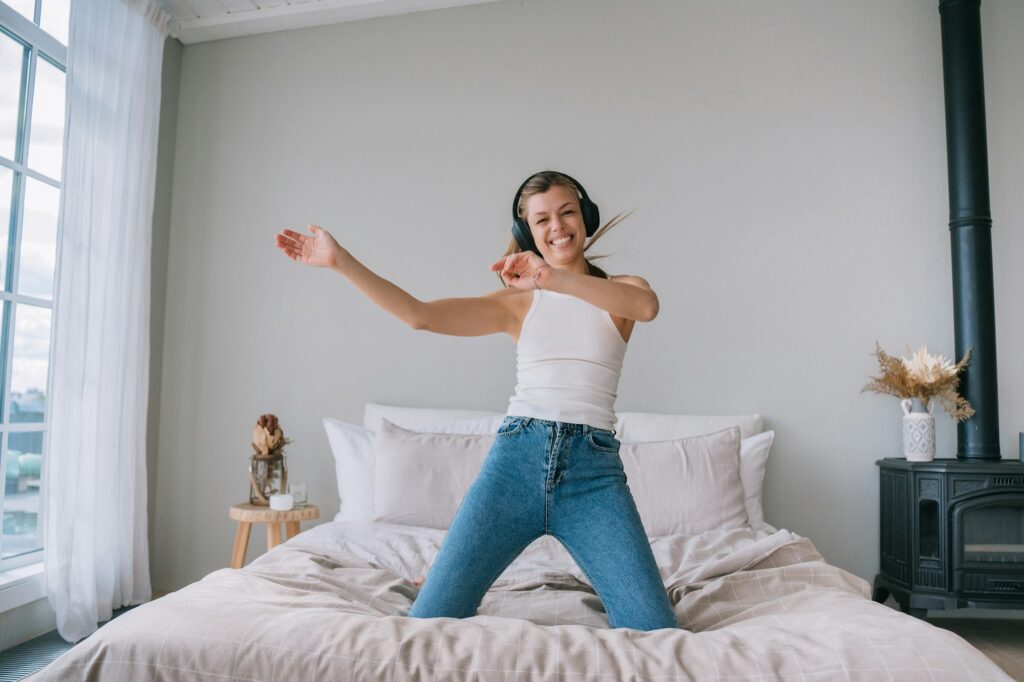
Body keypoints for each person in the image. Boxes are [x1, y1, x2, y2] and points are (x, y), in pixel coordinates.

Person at [274, 170, 678, 631]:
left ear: (585, 218)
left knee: (655, 628)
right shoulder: (516, 305)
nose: (557, 226)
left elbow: (646, 307)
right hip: (515, 463)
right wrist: (340, 261)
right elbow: (419, 316)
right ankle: (453, 574)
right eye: (542, 219)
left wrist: (550, 278)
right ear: (528, 233)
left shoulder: (622, 290)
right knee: (430, 618)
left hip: (594, 474)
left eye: (567, 212)